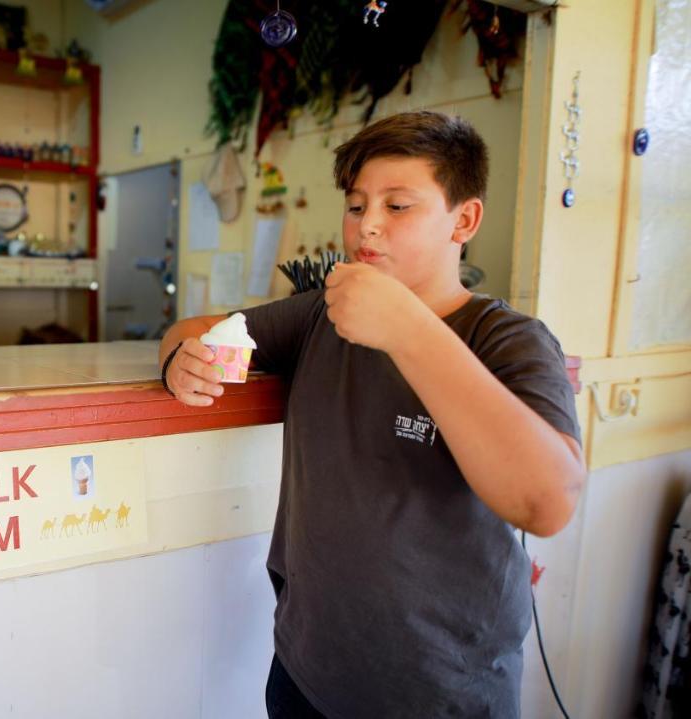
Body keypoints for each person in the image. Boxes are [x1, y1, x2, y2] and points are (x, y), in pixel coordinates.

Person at [159, 111, 585, 717]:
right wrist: (182, 357)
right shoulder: (319, 316)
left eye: (398, 206)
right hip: (304, 673)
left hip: (442, 695)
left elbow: (548, 502)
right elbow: (198, 329)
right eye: (357, 206)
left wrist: (407, 328)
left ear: (463, 220)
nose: (369, 227)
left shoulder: (508, 340)